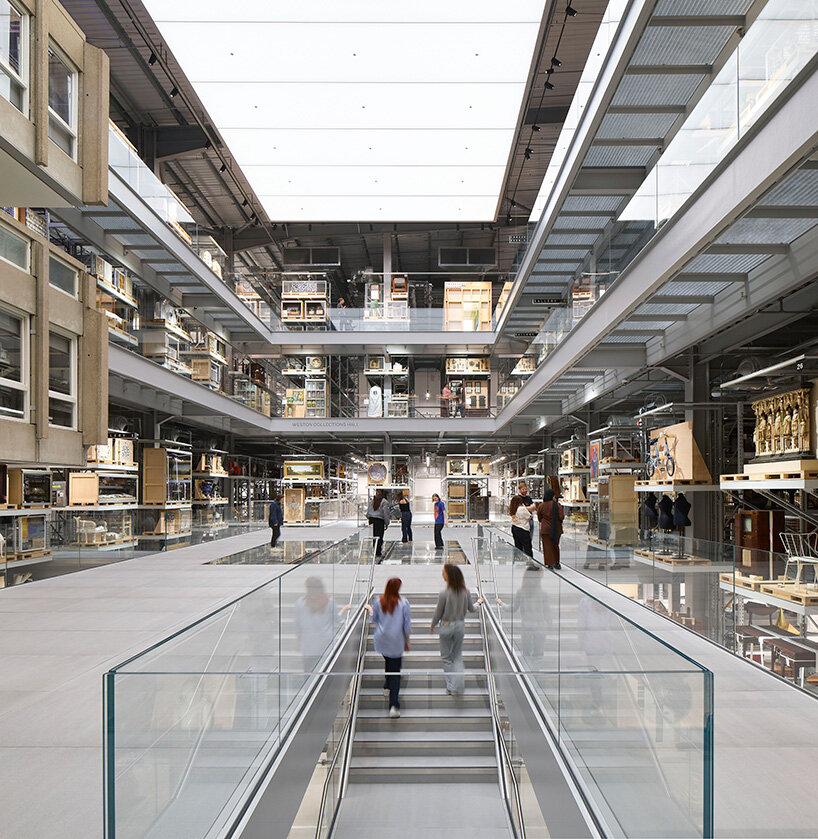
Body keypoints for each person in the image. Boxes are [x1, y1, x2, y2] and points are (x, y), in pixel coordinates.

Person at [430, 564, 483, 695]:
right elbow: (471, 609)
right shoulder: (466, 591)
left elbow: (438, 613)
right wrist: (479, 603)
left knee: (447, 657)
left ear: (449, 576)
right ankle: (459, 684)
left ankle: (452, 687)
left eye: (443, 572)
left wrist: (433, 624)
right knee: (457, 655)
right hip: (460, 625)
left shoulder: (444, 593)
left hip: (447, 625)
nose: (442, 574)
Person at [365, 577, 411, 719]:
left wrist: (370, 610)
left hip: (382, 640)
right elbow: (406, 625)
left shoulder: (379, 601)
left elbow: (374, 620)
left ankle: (387, 685)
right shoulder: (404, 603)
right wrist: (407, 642)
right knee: (396, 672)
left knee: (389, 662)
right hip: (396, 640)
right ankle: (393, 705)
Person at [293, 576, 338, 671]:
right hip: (326, 644)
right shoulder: (329, 601)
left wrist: (298, 642)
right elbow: (337, 619)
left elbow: (297, 626)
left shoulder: (300, 603)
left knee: (309, 675)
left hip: (308, 646)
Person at [537, 487, 565, 570]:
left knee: (547, 546)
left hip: (545, 529)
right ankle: (557, 563)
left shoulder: (541, 505)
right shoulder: (558, 505)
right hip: (556, 529)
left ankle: (549, 563)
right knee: (555, 545)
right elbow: (561, 517)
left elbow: (539, 518)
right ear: (553, 496)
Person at [366, 489, 390, 559]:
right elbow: (386, 513)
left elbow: (368, 511)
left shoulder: (372, 501)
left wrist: (369, 518)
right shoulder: (384, 502)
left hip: (371, 520)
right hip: (379, 521)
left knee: (373, 536)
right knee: (379, 536)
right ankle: (378, 552)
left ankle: (374, 550)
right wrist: (387, 523)